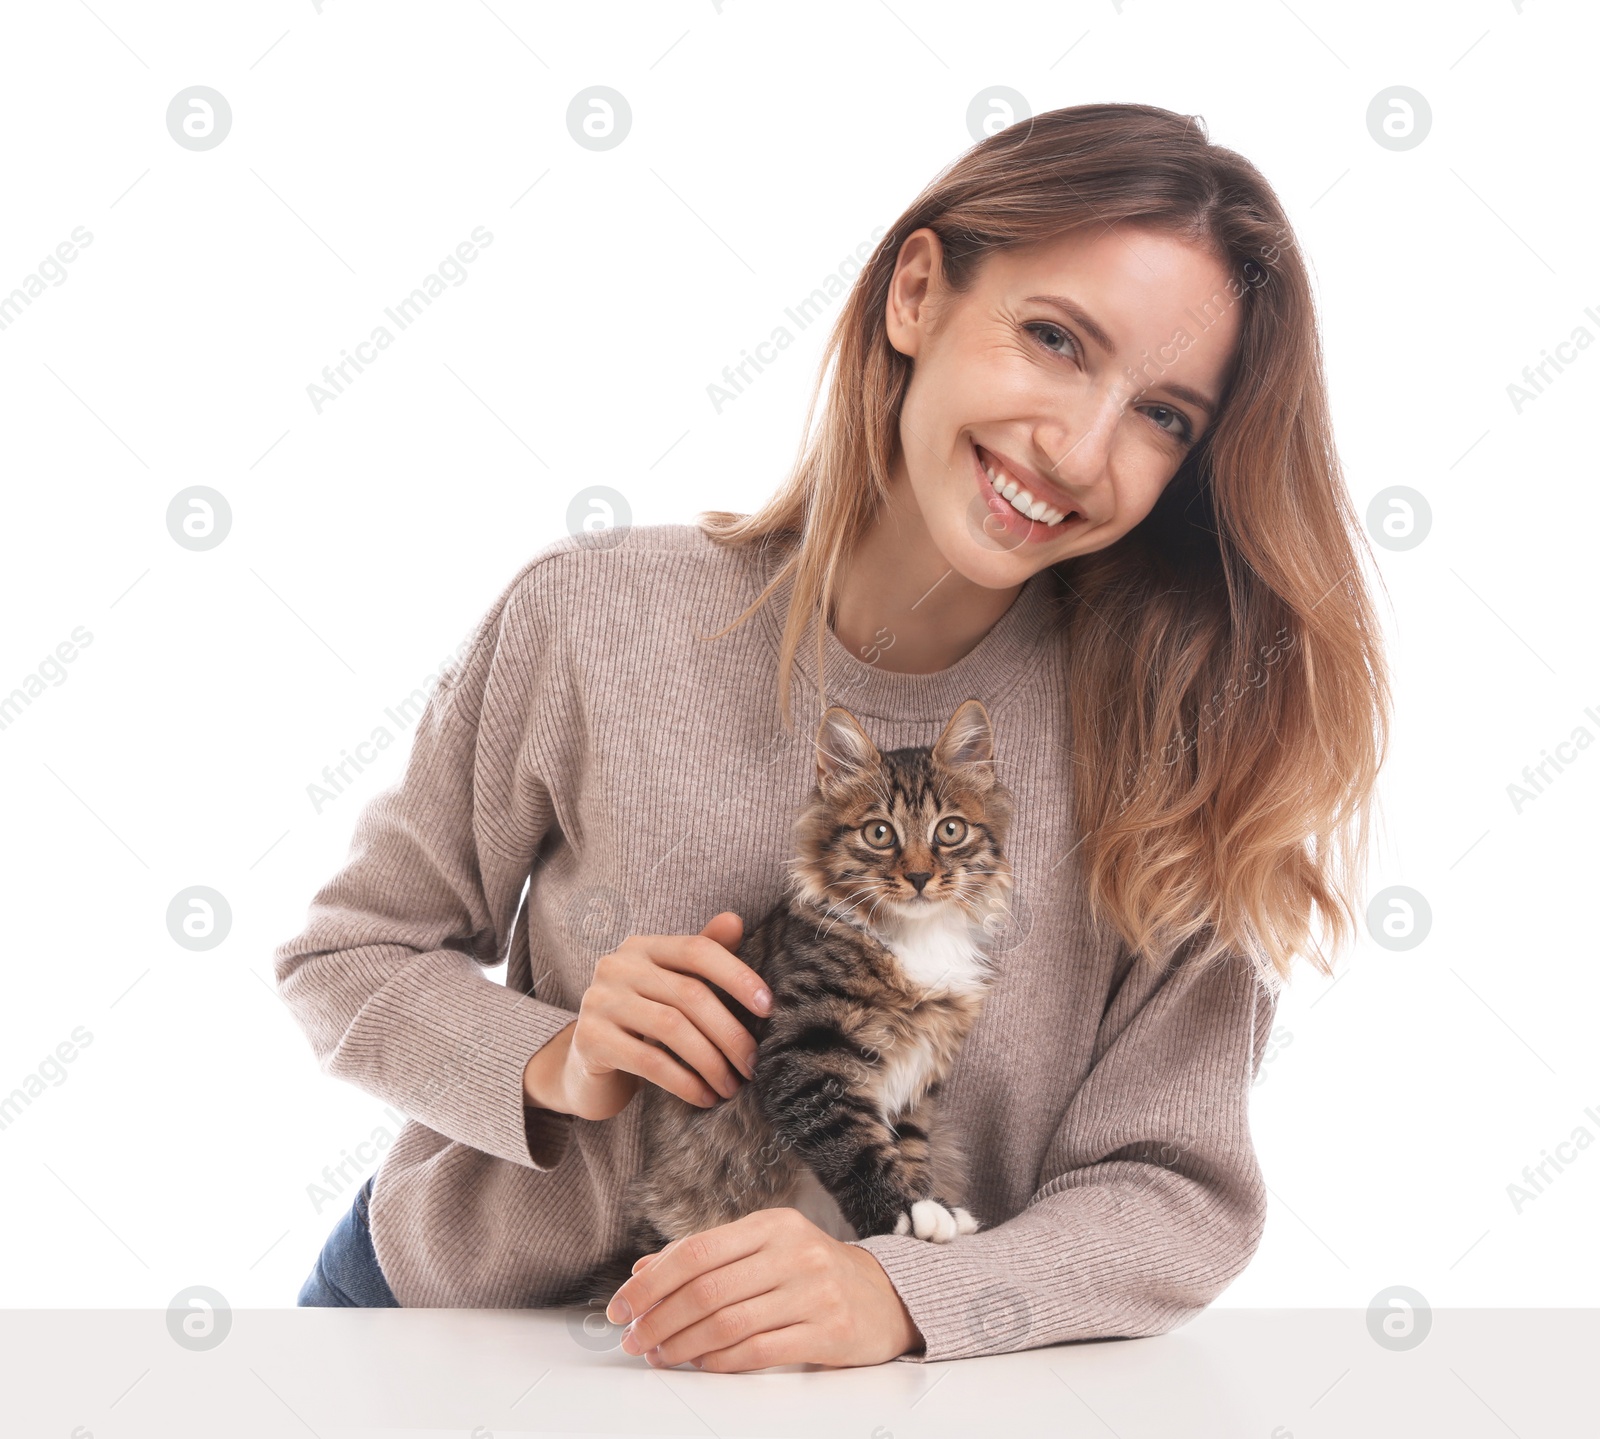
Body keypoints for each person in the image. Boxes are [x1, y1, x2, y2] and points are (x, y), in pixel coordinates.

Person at [277, 101, 1390, 1371]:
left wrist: (904, 1290)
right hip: (454, 1337)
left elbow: (1175, 1190)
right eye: (1052, 339)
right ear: (916, 292)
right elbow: (348, 953)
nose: (1079, 447)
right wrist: (553, 1054)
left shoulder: (1172, 750)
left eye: (1164, 416)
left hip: (856, 1386)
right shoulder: (592, 616)